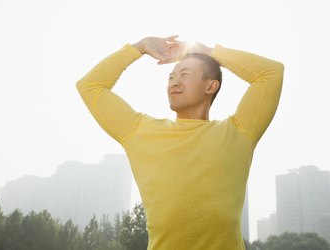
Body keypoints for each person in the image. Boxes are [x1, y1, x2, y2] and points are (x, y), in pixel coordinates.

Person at [76, 36, 284, 250]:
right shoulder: (140, 131)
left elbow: (271, 73)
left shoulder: (239, 132)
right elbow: (90, 86)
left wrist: (208, 51)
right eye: (171, 77)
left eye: (185, 74)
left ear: (211, 86)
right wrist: (139, 48)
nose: (174, 82)